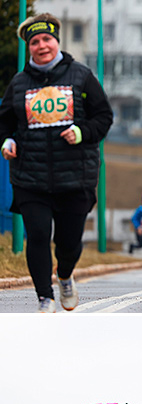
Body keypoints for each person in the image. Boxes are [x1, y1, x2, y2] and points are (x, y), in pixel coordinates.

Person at [0, 12, 113, 313]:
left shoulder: (81, 75)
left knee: (68, 242)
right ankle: (44, 298)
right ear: (29, 47)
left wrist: (81, 131)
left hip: (75, 176)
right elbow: (5, 122)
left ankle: (64, 276)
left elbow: (104, 117)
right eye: (34, 41)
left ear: (56, 41)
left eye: (46, 39)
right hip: (30, 177)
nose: (41, 45)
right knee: (37, 235)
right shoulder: (19, 83)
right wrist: (7, 141)